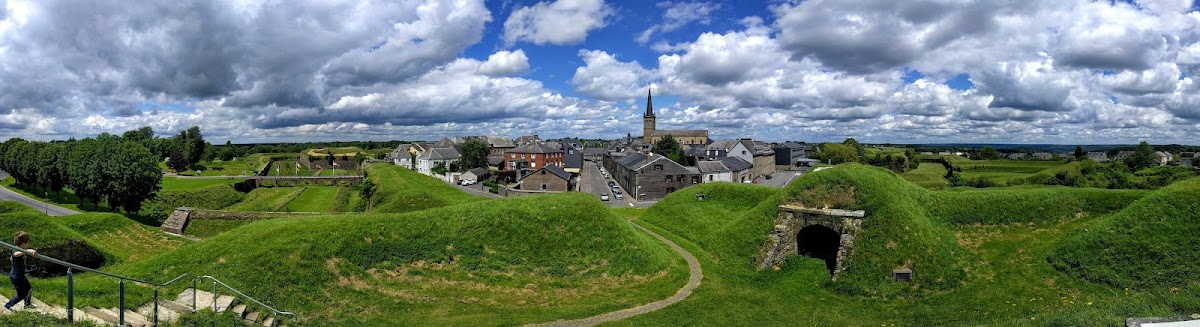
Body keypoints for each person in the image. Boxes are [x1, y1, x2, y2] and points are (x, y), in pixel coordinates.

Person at [5, 231, 37, 311]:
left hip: (20, 275)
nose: (27, 244)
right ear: (23, 243)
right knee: (21, 295)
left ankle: (27, 304)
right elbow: (15, 254)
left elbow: (12, 257)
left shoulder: (18, 249)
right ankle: (8, 305)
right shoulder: (17, 251)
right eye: (27, 243)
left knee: (28, 288)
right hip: (16, 277)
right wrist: (28, 251)